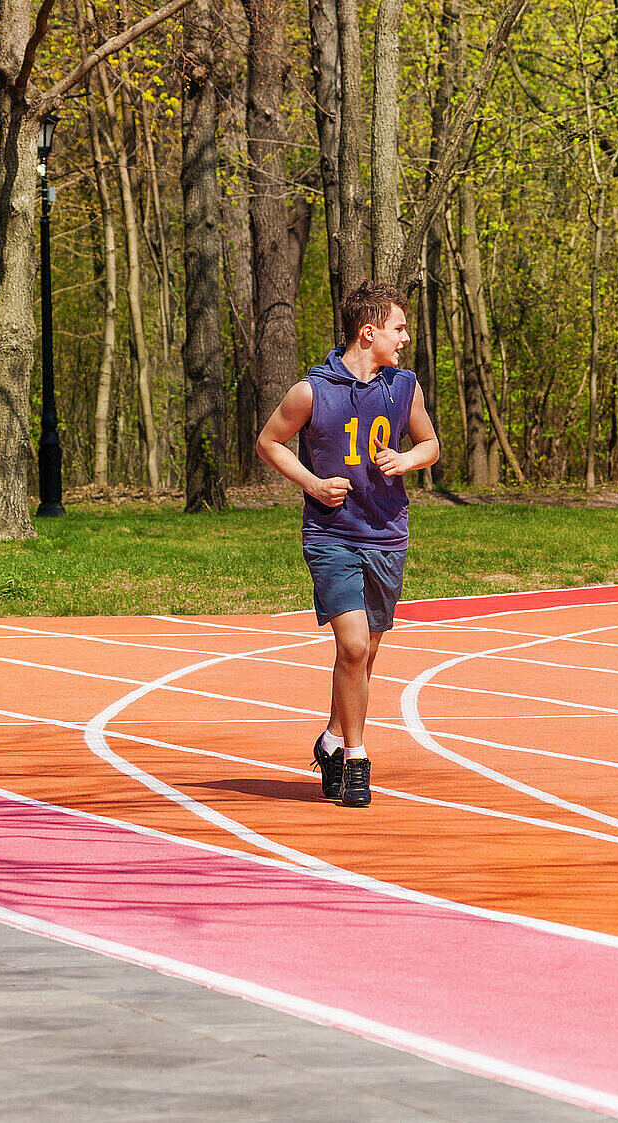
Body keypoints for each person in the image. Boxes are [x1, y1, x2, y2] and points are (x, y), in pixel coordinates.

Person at [256, 281, 439, 808]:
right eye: (398, 328)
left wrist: (406, 460)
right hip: (332, 533)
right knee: (354, 645)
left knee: (366, 652)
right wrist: (312, 483)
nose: (405, 337)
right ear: (369, 331)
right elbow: (269, 441)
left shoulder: (405, 387)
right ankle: (357, 757)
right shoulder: (311, 391)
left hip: (387, 533)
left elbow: (429, 443)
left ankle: (332, 740)